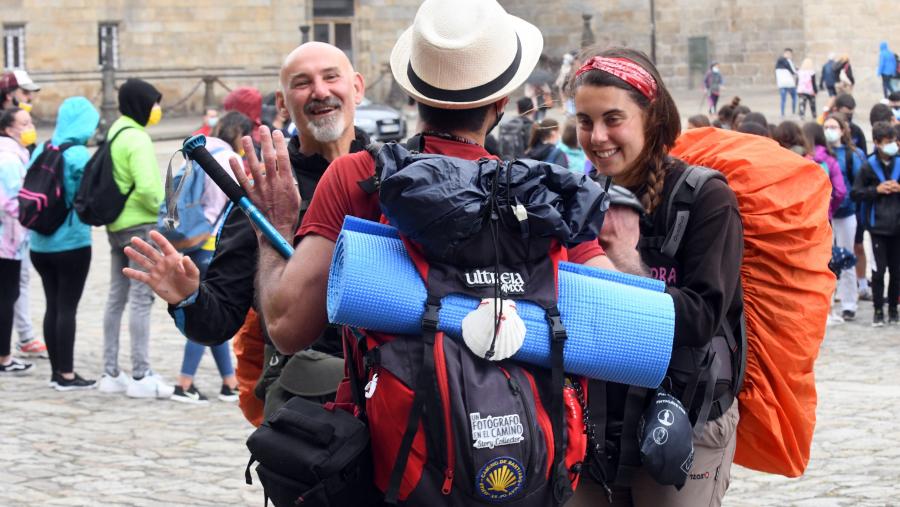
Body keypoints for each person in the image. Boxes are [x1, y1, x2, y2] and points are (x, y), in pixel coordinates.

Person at [122, 42, 370, 424]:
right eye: (302, 83)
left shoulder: (395, 174)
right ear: (282, 103)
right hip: (310, 412)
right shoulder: (264, 193)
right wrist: (188, 297)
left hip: (396, 394)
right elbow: (219, 319)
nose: (320, 91)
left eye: (331, 77)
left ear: (357, 87)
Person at [570, 46, 743, 506]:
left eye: (613, 119)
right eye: (585, 121)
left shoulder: (706, 199)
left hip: (684, 418)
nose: (597, 136)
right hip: (594, 423)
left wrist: (627, 263)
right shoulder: (579, 198)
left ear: (651, 117)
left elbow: (701, 319)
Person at [169, 111, 251, 404]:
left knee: (213, 309)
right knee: (202, 309)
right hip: (210, 242)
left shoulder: (201, 152)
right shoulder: (228, 159)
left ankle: (229, 382)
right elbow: (223, 206)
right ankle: (184, 383)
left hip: (190, 238)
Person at [97, 78, 171, 399]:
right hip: (139, 226)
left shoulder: (116, 130)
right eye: (154, 103)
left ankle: (111, 371)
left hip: (116, 225)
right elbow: (148, 188)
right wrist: (165, 210)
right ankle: (141, 373)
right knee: (142, 298)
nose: (157, 109)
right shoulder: (137, 137)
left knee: (117, 297)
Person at [28, 97, 99, 390]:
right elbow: (88, 196)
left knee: (52, 305)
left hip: (39, 243)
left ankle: (55, 371)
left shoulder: (43, 149)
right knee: (67, 307)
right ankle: (67, 374)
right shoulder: (78, 155)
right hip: (71, 242)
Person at [0, 70, 46, 359]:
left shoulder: (17, 135)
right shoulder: (6, 145)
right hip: (9, 228)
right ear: (9, 96)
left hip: (16, 230)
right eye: (24, 93)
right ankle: (19, 340)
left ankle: (22, 335)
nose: (29, 98)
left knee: (17, 283)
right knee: (11, 287)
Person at [851, 122, 900, 327]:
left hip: (897, 225)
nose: (893, 145)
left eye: (894, 141)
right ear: (877, 143)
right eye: (888, 142)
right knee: (878, 271)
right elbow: (855, 193)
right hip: (877, 226)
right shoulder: (868, 166)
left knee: (896, 271)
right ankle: (878, 309)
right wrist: (876, 190)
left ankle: (893, 308)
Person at [0, 107, 37, 375]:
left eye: (30, 122)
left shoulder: (14, 154)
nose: (30, 127)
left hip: (10, 239)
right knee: (7, 296)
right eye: (24, 124)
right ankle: (4, 357)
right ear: (8, 129)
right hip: (7, 240)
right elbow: (11, 202)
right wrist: (33, 214)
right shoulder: (9, 159)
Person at [825, 112, 867, 321]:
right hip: (824, 214)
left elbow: (859, 184)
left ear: (842, 130)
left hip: (846, 212)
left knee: (847, 256)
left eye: (833, 127)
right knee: (825, 259)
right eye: (826, 127)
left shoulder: (853, 155)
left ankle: (849, 302)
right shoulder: (822, 154)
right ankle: (829, 302)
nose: (829, 131)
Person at [802, 121, 848, 220]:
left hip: (802, 215)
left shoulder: (799, 157)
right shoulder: (830, 159)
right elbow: (840, 191)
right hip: (823, 215)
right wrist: (830, 208)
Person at [775, 48, 798, 117]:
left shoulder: (778, 61)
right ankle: (793, 112)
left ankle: (782, 113)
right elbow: (793, 71)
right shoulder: (788, 61)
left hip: (781, 84)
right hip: (790, 83)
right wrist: (797, 71)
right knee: (794, 97)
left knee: (783, 99)